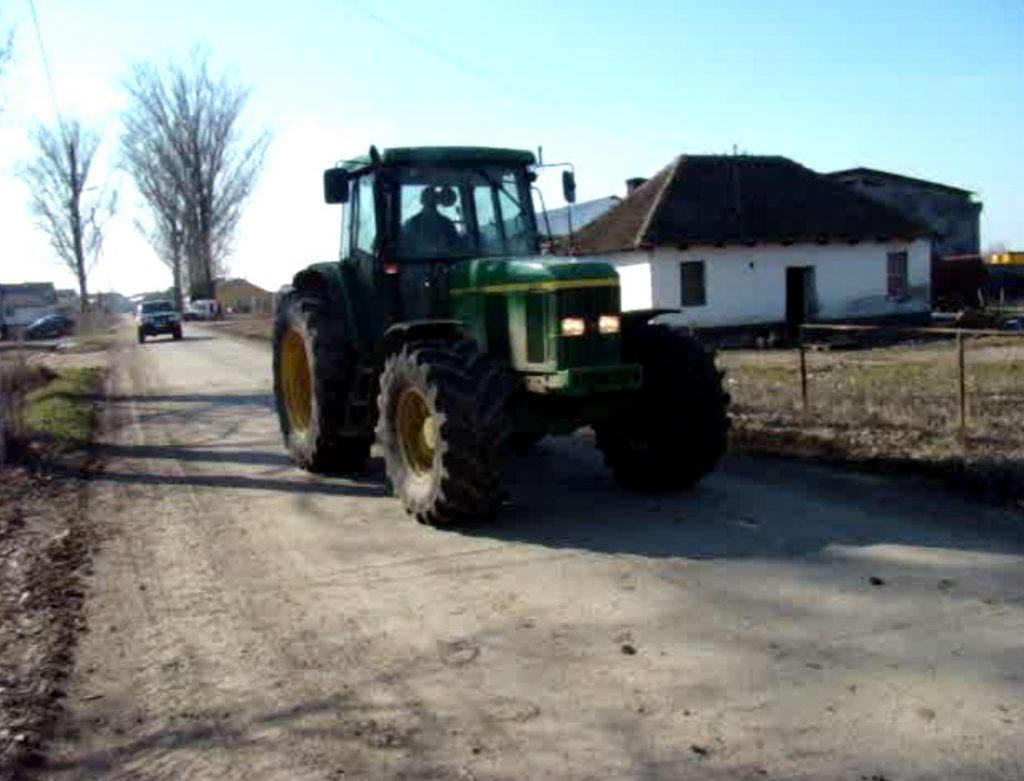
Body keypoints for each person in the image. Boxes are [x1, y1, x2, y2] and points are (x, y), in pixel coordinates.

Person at [401, 187, 460, 257]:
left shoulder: (411, 223)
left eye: (431, 198)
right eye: (428, 198)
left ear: (421, 201)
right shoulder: (447, 223)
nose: (429, 200)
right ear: (438, 200)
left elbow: (405, 248)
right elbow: (456, 246)